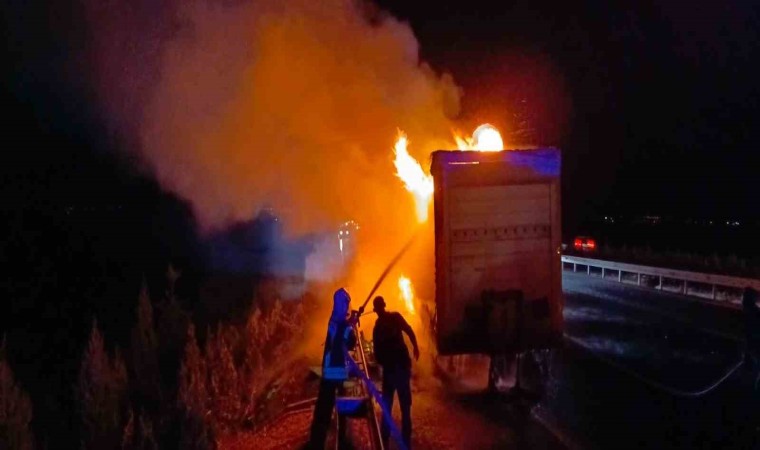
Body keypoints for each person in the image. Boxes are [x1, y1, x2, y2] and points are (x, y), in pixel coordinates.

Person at [308, 288, 357, 449]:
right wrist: (352, 324)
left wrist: (351, 322)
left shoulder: (334, 320)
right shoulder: (339, 323)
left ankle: (319, 440)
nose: (347, 306)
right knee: (337, 405)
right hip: (335, 371)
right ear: (342, 304)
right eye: (346, 303)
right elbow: (350, 342)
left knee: (325, 407)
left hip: (330, 370)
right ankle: (339, 439)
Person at [372, 295, 419, 449]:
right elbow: (409, 330)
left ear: (376, 309)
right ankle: (404, 440)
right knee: (404, 406)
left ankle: (384, 440)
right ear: (384, 305)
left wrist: (384, 362)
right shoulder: (394, 318)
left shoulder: (378, 327)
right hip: (400, 367)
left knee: (388, 405)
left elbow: (377, 354)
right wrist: (415, 346)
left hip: (391, 370)